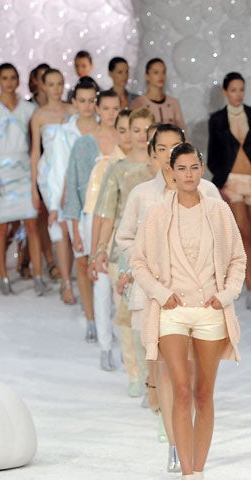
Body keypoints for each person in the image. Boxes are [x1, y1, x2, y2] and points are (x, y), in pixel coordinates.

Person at [131, 142, 246, 480]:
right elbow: (138, 262)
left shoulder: (218, 211)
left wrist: (226, 295)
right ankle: (185, 476)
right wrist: (160, 292)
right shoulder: (157, 214)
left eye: (194, 167)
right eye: (181, 168)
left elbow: (238, 259)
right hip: (172, 310)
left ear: (202, 168)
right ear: (171, 171)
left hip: (210, 311)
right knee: (181, 390)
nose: (188, 175)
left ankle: (199, 474)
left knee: (203, 394)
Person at [117, 124, 223, 472]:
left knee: (192, 376)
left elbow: (224, 241)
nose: (168, 155)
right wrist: (147, 267)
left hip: (199, 298)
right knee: (166, 372)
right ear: (153, 154)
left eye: (174, 147)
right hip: (157, 296)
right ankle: (175, 446)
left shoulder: (208, 191)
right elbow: (126, 238)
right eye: (161, 149)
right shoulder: (143, 195)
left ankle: (188, 441)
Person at [94, 107, 156, 390]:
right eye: (136, 130)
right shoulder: (118, 170)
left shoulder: (161, 170)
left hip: (157, 253)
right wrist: (99, 249)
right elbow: (107, 213)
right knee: (126, 315)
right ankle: (135, 375)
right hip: (123, 253)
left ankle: (153, 377)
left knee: (151, 317)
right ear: (128, 132)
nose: (142, 136)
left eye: (147, 130)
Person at [0, 63, 45, 295]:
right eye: (5, 78)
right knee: (1, 227)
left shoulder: (28, 109)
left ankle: (38, 276)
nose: (9, 82)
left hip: (23, 169)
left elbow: (35, 142)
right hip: (0, 171)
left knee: (31, 224)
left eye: (13, 78)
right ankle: (4, 277)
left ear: (18, 81)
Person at [64, 89, 122, 342]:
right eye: (106, 108)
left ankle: (115, 326)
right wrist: (74, 227)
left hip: (119, 216)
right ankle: (95, 324)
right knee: (95, 270)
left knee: (118, 271)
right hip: (90, 215)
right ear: (97, 109)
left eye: (116, 109)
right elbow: (73, 185)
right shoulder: (84, 144)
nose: (111, 114)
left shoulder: (127, 142)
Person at [207, 72, 251, 311]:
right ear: (225, 92)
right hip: (232, 183)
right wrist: (222, 179)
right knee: (244, 235)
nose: (238, 94)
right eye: (233, 89)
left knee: (246, 236)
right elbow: (213, 155)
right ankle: (250, 291)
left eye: (241, 89)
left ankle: (238, 281)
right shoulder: (217, 119)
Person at [86, 109, 132, 371]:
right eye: (122, 130)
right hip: (108, 240)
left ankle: (130, 351)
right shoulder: (106, 165)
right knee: (104, 291)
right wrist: (95, 251)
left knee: (129, 299)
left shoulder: (151, 165)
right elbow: (97, 212)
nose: (128, 136)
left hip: (135, 244)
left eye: (133, 130)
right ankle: (105, 347)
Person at [30, 68, 78, 300]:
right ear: (43, 86)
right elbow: (35, 152)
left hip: (73, 173)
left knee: (74, 224)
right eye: (51, 84)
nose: (56, 89)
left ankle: (72, 274)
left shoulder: (73, 110)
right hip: (50, 177)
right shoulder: (38, 115)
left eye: (60, 83)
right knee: (59, 226)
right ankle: (66, 283)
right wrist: (33, 188)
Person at [130, 58, 186, 130]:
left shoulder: (173, 103)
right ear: (147, 76)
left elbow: (182, 131)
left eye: (163, 72)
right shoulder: (138, 103)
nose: (161, 76)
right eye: (156, 72)